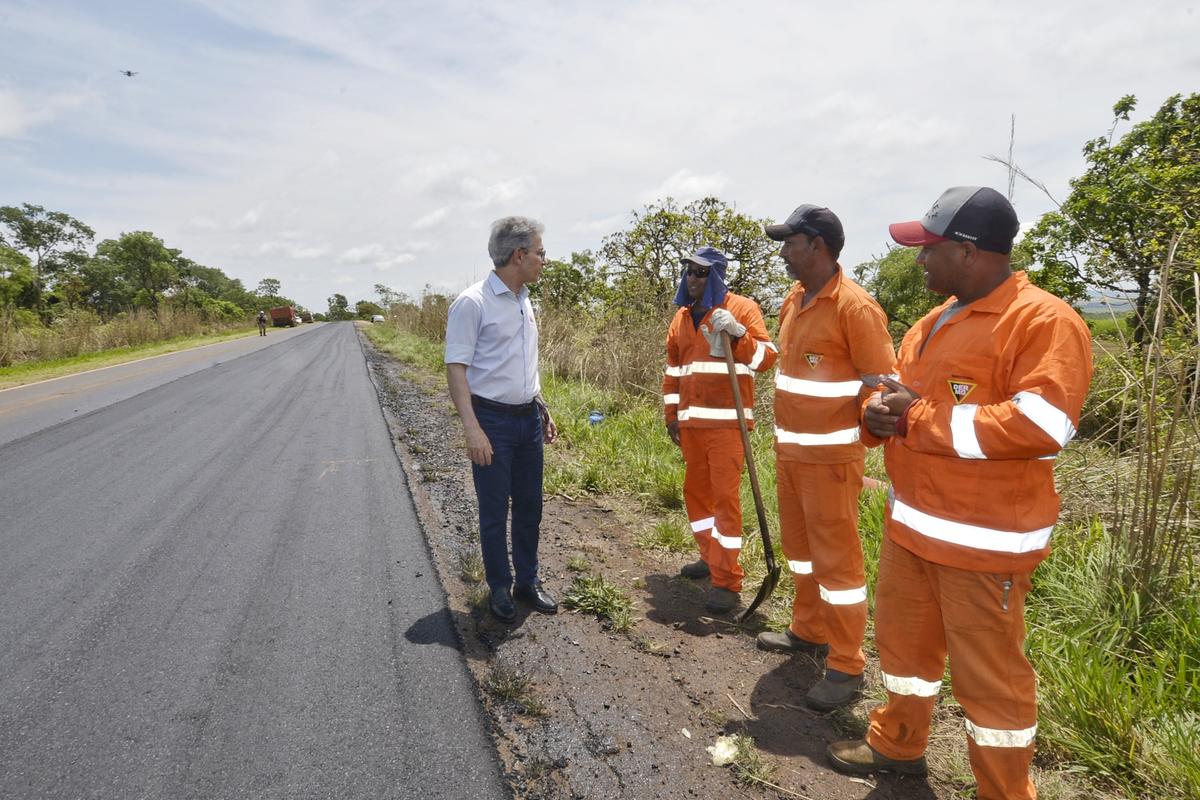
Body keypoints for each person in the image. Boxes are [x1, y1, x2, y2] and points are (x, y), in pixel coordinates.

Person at [826, 187, 1093, 800]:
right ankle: (897, 747)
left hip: (983, 549)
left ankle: (1002, 793)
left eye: (929, 249)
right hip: (911, 532)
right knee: (903, 654)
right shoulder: (935, 319)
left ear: (969, 252)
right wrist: (876, 415)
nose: (920, 260)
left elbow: (1042, 426)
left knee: (989, 684)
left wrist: (916, 419)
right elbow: (894, 388)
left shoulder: (1044, 321)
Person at [758, 205, 895, 711]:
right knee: (800, 553)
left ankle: (845, 664)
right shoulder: (795, 300)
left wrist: (875, 411)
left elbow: (881, 386)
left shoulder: (855, 308)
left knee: (838, 567)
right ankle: (807, 630)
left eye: (790, 243)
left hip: (832, 462)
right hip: (791, 457)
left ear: (816, 246)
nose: (784, 253)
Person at [444, 216, 559, 624]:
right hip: (491, 421)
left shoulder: (525, 298)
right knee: (495, 509)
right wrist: (472, 428)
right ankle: (499, 586)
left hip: (527, 420)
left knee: (530, 506)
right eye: (541, 252)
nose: (545, 259)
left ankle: (527, 581)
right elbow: (456, 368)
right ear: (519, 255)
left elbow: (521, 363)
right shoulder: (473, 302)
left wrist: (540, 405)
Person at [663, 246, 777, 614]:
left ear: (715, 276)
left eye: (699, 273)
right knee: (696, 495)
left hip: (728, 427)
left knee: (725, 501)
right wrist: (671, 416)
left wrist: (739, 335)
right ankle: (710, 558)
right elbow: (673, 373)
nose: (692, 279)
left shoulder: (741, 308)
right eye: (688, 272)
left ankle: (727, 581)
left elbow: (766, 359)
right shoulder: (681, 319)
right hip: (691, 426)